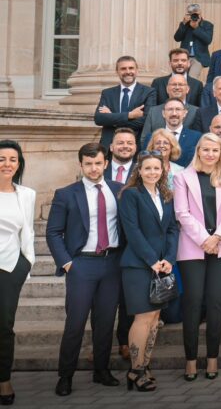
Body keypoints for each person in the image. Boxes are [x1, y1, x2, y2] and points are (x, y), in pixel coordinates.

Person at [47, 143, 123, 396]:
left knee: (105, 322)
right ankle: (65, 376)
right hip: (82, 265)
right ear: (81, 164)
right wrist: (68, 263)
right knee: (75, 324)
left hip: (112, 263)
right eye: (88, 164)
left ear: (106, 163)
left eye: (98, 163)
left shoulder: (119, 190)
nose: (93, 168)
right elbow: (53, 232)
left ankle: (101, 371)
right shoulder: (66, 193)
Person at [172, 134, 221, 381]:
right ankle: (190, 360)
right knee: (193, 302)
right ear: (198, 151)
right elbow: (182, 213)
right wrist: (204, 239)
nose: (210, 154)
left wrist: (217, 237)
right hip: (191, 248)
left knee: (216, 302)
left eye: (215, 150)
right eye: (205, 150)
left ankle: (212, 358)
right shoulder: (182, 178)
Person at [117, 151, 179, 392]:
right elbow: (132, 231)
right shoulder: (130, 195)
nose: (153, 172)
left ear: (162, 171)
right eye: (148, 168)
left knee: (154, 319)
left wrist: (169, 259)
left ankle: (145, 364)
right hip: (138, 265)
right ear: (139, 171)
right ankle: (135, 369)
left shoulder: (166, 195)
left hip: (162, 266)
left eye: (157, 168)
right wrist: (152, 260)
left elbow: (173, 229)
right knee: (143, 318)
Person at [0, 142, 34, 404]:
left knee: (4, 326)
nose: (7, 164)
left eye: (13, 159)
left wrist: (27, 264)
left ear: (19, 164)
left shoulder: (27, 194)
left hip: (11, 267)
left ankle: (4, 380)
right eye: (1, 159)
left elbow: (28, 233)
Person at [95, 56, 152, 150]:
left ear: (137, 70)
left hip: (136, 146)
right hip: (109, 146)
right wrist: (130, 115)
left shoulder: (149, 92)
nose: (128, 71)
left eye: (131, 68)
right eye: (123, 69)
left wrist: (112, 117)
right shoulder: (107, 93)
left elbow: (145, 121)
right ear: (117, 72)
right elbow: (99, 118)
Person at [174, 4, 214, 79]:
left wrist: (196, 28)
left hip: (198, 58)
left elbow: (208, 40)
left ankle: (192, 90)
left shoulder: (207, 25)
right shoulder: (185, 24)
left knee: (192, 78)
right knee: (181, 78)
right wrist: (183, 24)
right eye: (191, 14)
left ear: (200, 13)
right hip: (184, 57)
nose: (194, 16)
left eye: (196, 13)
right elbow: (177, 38)